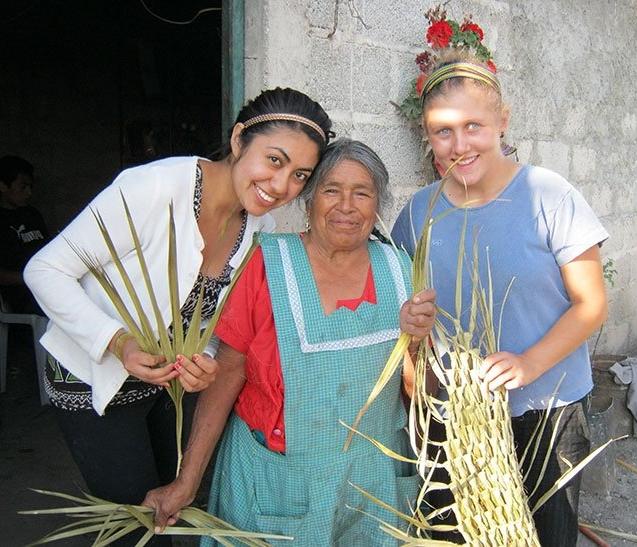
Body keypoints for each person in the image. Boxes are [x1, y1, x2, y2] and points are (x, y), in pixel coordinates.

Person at [24, 88, 333, 546]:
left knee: (163, 510)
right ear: (239, 139)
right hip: (91, 379)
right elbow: (44, 269)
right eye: (274, 160)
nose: (283, 184)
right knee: (135, 527)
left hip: (162, 385)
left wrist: (203, 357)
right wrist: (118, 342)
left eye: (300, 174)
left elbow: (210, 320)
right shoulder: (154, 189)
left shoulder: (259, 227)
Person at [143, 139, 437, 545]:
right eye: (332, 190)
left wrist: (420, 344)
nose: (346, 206)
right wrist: (187, 481)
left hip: (372, 487)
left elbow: (420, 390)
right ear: (309, 199)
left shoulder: (401, 270)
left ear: (378, 204)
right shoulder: (268, 265)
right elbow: (228, 373)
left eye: (362, 193)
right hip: (278, 481)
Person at [391, 52, 609, 546]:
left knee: (546, 536)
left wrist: (530, 363)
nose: (459, 145)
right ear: (427, 135)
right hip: (454, 415)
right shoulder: (419, 213)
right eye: (442, 131)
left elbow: (591, 304)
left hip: (547, 410)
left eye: (473, 126)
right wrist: (410, 321)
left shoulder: (549, 195)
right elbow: (404, 304)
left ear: (502, 121)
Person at [0, 155, 48, 314]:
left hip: (45, 287)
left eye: (30, 187)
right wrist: (30, 278)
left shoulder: (32, 215)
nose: (29, 193)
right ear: (3, 186)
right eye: (23, 187)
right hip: (19, 297)